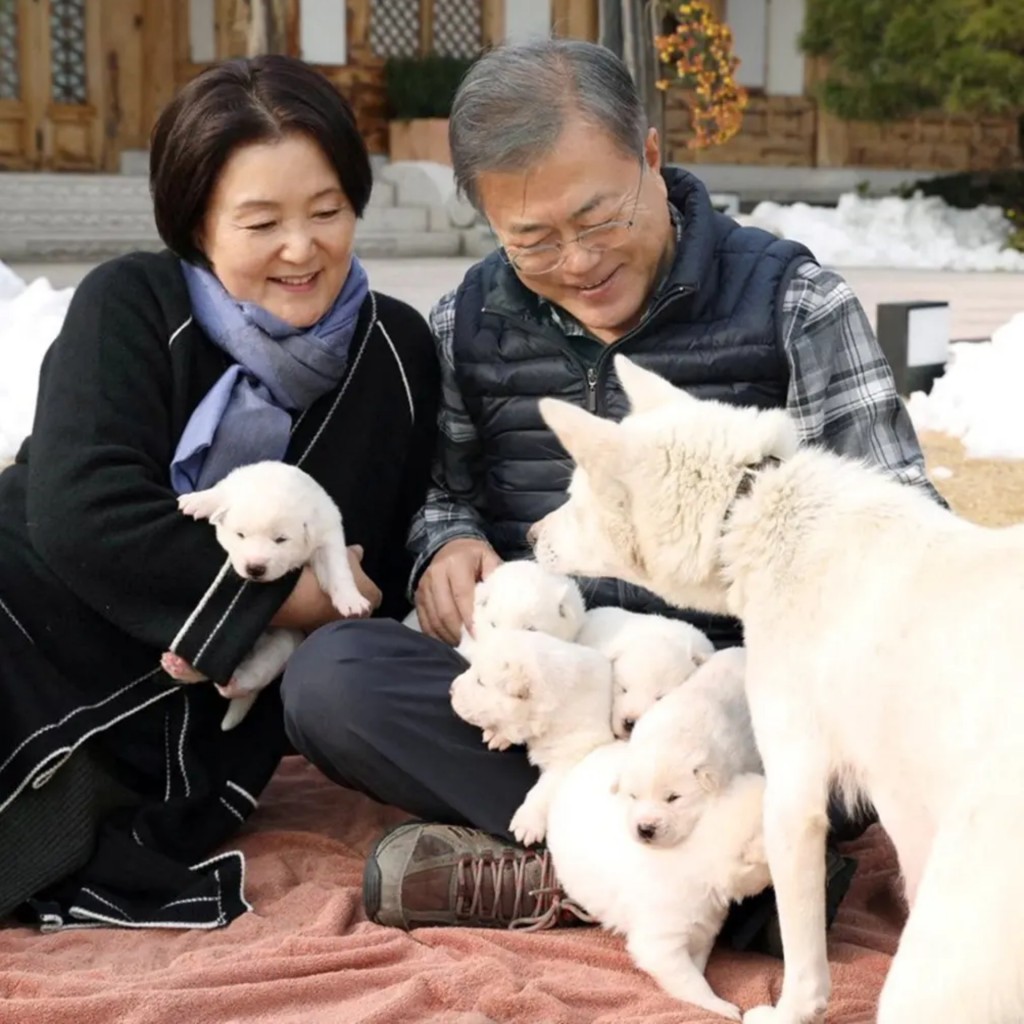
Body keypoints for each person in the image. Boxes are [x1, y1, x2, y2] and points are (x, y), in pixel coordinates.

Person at [281, 40, 942, 942]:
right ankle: (715, 884)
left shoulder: (792, 304)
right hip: (555, 685)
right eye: (534, 241)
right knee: (331, 680)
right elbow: (442, 490)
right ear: (487, 224)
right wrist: (446, 544)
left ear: (652, 159)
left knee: (828, 735)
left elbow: (906, 532)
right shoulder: (465, 322)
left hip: (741, 699)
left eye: (598, 220)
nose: (579, 261)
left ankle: (567, 876)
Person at [0, 54, 439, 928]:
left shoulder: (397, 351)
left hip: (200, 717)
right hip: (37, 601)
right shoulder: (129, 300)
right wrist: (291, 592)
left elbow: (373, 557)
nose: (302, 248)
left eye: (327, 211)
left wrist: (322, 601)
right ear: (196, 220)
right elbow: (80, 511)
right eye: (261, 221)